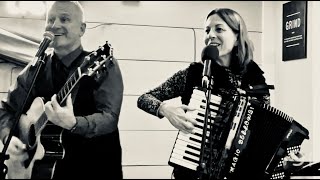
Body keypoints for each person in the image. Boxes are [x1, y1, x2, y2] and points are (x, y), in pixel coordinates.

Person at [137, 8, 271, 179]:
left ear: (237, 38)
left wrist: (283, 157)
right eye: (207, 30)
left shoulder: (256, 80)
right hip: (193, 168)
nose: (211, 35)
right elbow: (144, 98)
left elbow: (264, 133)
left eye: (219, 29)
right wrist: (165, 109)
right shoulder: (193, 74)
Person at [0, 1, 123, 179]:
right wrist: (8, 137)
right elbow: (6, 110)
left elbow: (110, 118)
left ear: (82, 29)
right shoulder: (37, 67)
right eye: (50, 20)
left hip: (94, 166)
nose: (55, 25)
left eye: (64, 19)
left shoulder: (102, 63)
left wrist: (73, 123)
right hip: (44, 170)